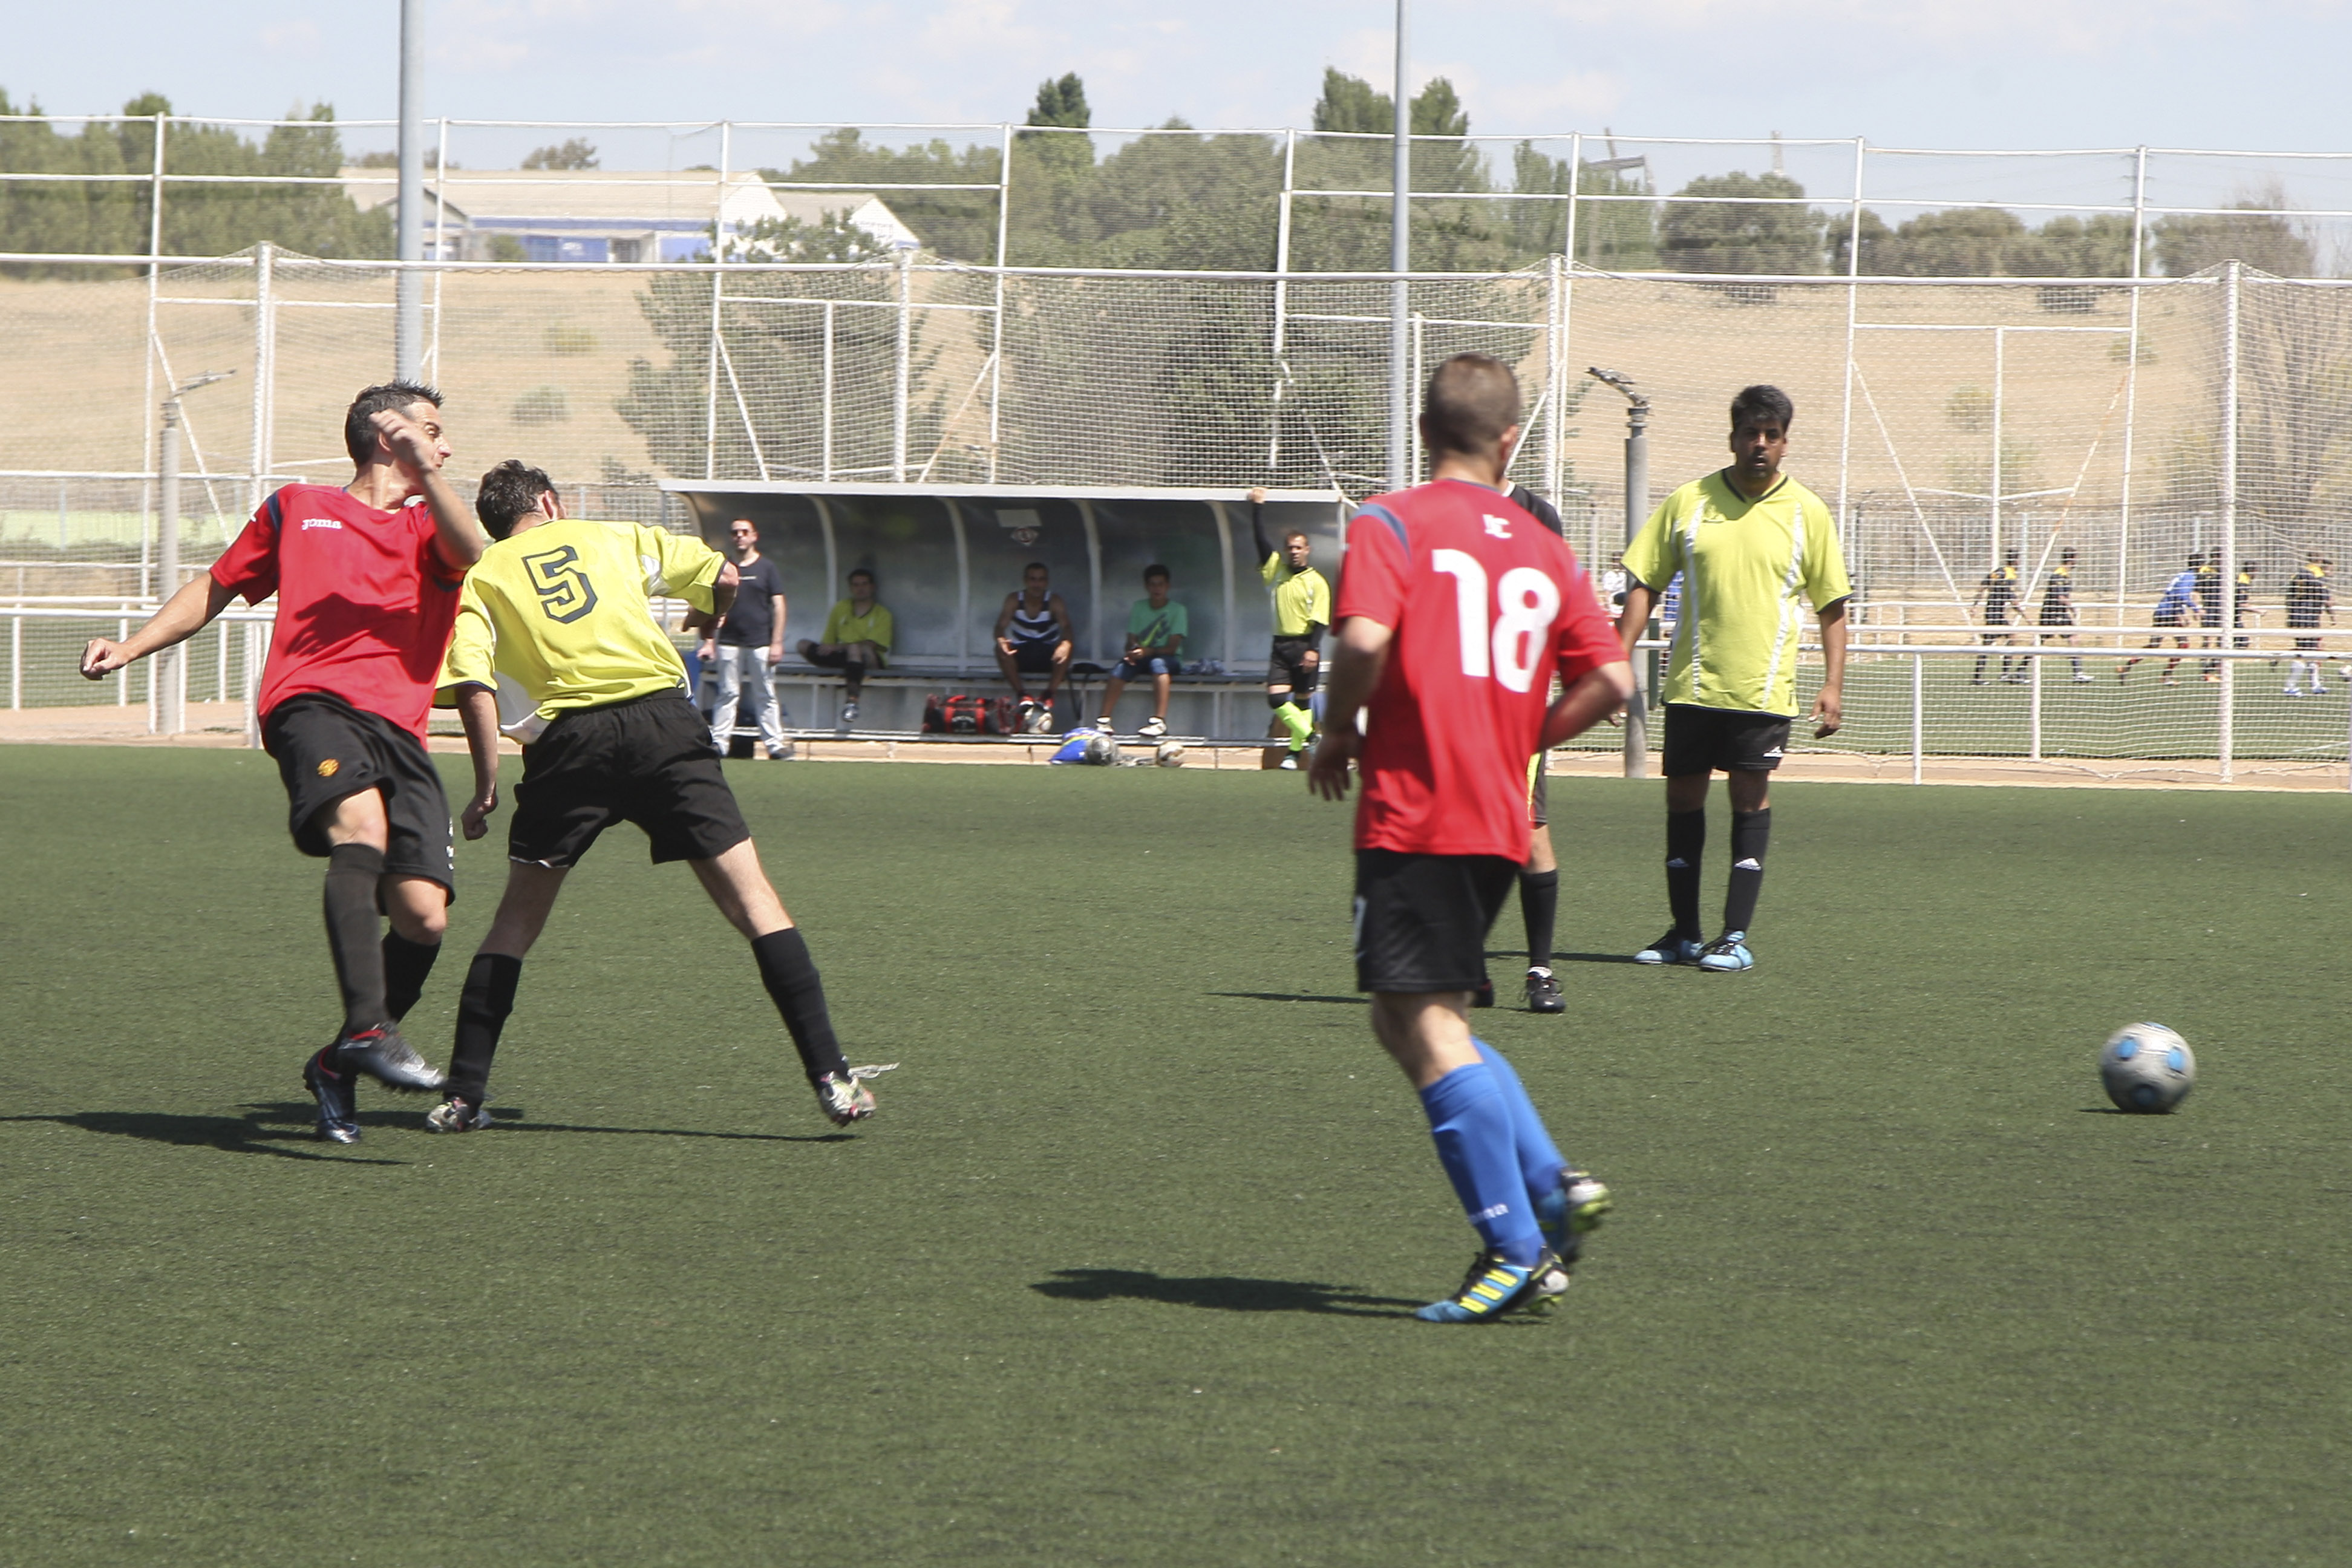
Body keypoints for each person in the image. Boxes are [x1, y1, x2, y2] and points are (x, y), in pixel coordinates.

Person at [1307, 351, 1632, 1324]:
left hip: (1417, 808)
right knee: (1422, 1016)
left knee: (1421, 1024)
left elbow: (1362, 642)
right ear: (1509, 440)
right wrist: (1525, 734)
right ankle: (1549, 1184)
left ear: (1422, 430)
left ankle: (1514, 1246)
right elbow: (1615, 683)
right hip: (1500, 817)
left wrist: (1335, 731)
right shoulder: (1542, 547)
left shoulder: (1388, 520)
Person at [79, 382, 485, 1141]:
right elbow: (218, 584)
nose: (448, 446)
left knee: (424, 919)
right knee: (357, 826)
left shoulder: (433, 522)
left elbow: (474, 554)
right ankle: (368, 1028)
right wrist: (132, 645)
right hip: (312, 705)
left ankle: (337, 1061)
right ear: (383, 437)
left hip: (402, 733)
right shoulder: (296, 507)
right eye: (434, 432)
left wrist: (427, 473)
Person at [427, 461, 883, 1134]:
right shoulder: (614, 536)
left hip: (569, 746)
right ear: (550, 503)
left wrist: (486, 785)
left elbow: (472, 683)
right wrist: (712, 617)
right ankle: (832, 1078)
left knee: (514, 925)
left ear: (496, 526)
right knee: (755, 904)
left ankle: (463, 1095)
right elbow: (724, 575)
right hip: (662, 727)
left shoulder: (486, 576)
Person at [1618, 384, 1851, 975]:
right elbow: (1644, 580)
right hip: (1694, 686)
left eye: (1771, 435)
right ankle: (1684, 934)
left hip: (1762, 692)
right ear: (1733, 438)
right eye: (1751, 433)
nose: (1760, 444)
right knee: (1682, 801)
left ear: (1785, 444)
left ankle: (1734, 936)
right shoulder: (1689, 502)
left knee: (1748, 802)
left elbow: (1832, 606)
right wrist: (1616, 660)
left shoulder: (1808, 513)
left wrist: (1833, 685)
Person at [1245, 486, 1331, 769]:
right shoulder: (1276, 572)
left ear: (1307, 550)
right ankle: (1311, 737)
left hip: (1305, 646)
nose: (1294, 552)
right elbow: (1260, 542)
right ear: (1285, 550)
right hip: (1281, 646)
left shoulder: (1317, 582)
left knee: (1304, 704)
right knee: (1277, 698)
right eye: (1290, 548)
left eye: (1299, 548)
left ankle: (1294, 756)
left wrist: (1314, 650)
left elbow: (1320, 619)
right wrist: (1257, 507)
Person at [701, 517, 792, 760]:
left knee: (766, 694)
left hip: (760, 643)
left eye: (744, 532)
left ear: (754, 536)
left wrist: (777, 642)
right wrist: (709, 641)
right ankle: (720, 743)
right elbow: (713, 606)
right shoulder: (725, 567)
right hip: (729, 642)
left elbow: (779, 605)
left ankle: (774, 745)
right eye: (735, 533)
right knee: (728, 694)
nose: (740, 536)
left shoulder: (767, 568)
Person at [1097, 564, 1186, 740]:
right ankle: (1104, 720)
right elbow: (1131, 639)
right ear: (1147, 587)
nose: (1157, 589)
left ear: (1167, 586)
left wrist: (1148, 651)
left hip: (1169, 660)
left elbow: (1172, 647)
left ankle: (1159, 721)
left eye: (1161, 584)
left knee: (1158, 663)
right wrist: (1132, 651)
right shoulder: (1139, 607)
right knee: (1121, 668)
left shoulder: (1178, 610)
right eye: (1153, 585)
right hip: (1143, 657)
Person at [798, 569, 892, 725]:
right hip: (843, 655)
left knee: (856, 649)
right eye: (856, 585)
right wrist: (830, 648)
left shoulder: (882, 614)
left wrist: (838, 647)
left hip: (870, 661)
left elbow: (872, 644)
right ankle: (828, 675)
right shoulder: (841, 608)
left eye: (864, 584)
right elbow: (827, 642)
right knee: (802, 645)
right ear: (850, 588)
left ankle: (852, 701)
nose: (860, 589)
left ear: (872, 587)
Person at [993, 560, 1074, 728]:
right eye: (1033, 579)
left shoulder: (1054, 600)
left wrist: (1065, 645)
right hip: (1023, 650)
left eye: (1041, 580)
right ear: (1025, 581)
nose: (1037, 584)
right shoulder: (1015, 599)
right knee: (1000, 649)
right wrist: (1001, 641)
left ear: (1046, 582)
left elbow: (1067, 627)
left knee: (1068, 648)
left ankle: (1049, 694)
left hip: (1046, 651)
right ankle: (1022, 695)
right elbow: (1000, 626)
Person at [2120, 552, 2200, 684]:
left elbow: (2174, 595)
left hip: (2162, 611)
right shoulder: (2190, 577)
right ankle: (2166, 676)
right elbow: (2181, 595)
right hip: (2170, 614)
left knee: (2155, 645)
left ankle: (2127, 667)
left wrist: (2182, 613)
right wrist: (2195, 608)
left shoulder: (2181, 575)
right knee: (2184, 644)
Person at [2036, 546, 2090, 683]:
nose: (2076, 561)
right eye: (2075, 558)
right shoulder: (2059, 575)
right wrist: (2072, 607)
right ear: (2071, 559)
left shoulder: (2064, 574)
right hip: (2053, 613)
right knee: (2072, 638)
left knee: (2070, 638)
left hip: (2058, 612)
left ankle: (2020, 671)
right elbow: (2060, 596)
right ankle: (2078, 673)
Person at [2284, 552, 2334, 695]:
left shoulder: (2298, 574)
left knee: (2311, 652)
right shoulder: (2316, 574)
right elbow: (2327, 600)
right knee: (2305, 652)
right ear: (2319, 561)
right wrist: (2333, 616)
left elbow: (2289, 597)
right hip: (2308, 619)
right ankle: (2290, 686)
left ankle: (2315, 685)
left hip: (2296, 617)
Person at [1970, 549, 2022, 684]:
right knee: (2011, 637)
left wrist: (1975, 605)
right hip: (1996, 613)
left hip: (1992, 611)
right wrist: (2022, 612)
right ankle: (2003, 674)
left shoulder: (1999, 571)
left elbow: (1983, 586)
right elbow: (2010, 596)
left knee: (1990, 643)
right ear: (2016, 561)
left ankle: (1979, 676)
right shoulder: (2010, 575)